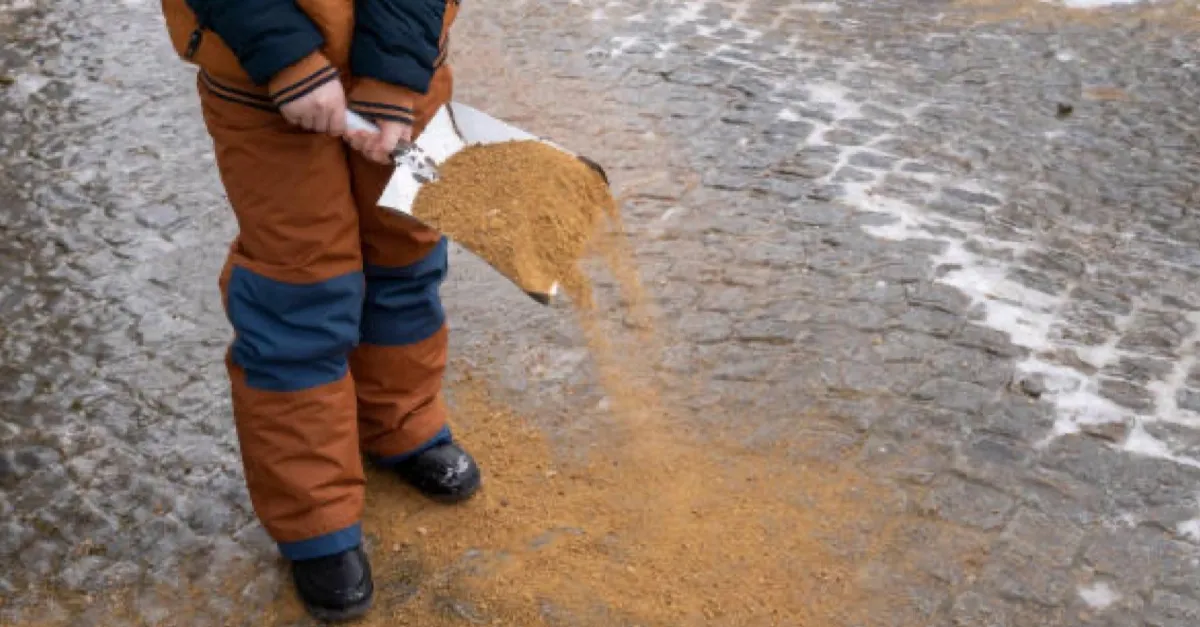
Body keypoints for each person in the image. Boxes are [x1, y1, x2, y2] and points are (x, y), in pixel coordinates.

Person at [159, 0, 480, 621]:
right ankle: (317, 515)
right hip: (261, 85)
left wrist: (391, 76)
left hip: (409, 71)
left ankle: (402, 422)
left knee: (405, 251)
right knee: (300, 294)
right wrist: (285, 56)